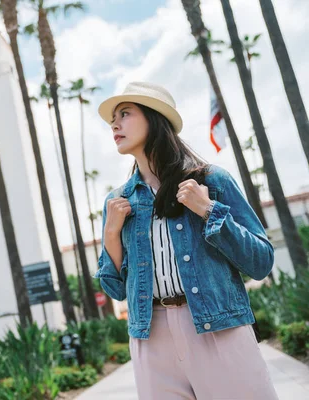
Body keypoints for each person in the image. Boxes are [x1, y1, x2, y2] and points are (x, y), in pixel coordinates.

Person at [95, 82, 279, 399]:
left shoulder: (211, 181)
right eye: (113, 118)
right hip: (150, 337)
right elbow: (114, 289)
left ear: (154, 118)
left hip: (218, 327)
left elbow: (261, 261)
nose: (115, 124)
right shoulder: (118, 202)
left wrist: (208, 210)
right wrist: (112, 233)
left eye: (125, 114)